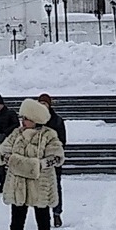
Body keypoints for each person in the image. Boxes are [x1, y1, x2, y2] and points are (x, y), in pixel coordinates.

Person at [0, 99, 64, 230]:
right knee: (17, 218)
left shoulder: (49, 135)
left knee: (43, 218)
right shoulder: (16, 134)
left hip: (40, 184)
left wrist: (35, 165)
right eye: (22, 118)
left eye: (26, 118)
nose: (23, 121)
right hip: (19, 184)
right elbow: (3, 152)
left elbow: (56, 157)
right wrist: (21, 163)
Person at [38, 93, 69, 222]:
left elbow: (62, 140)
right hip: (39, 159)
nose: (43, 106)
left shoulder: (56, 120)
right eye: (40, 103)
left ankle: (57, 213)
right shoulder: (36, 120)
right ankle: (45, 213)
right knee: (41, 187)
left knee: (56, 185)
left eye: (45, 103)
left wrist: (54, 150)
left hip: (53, 158)